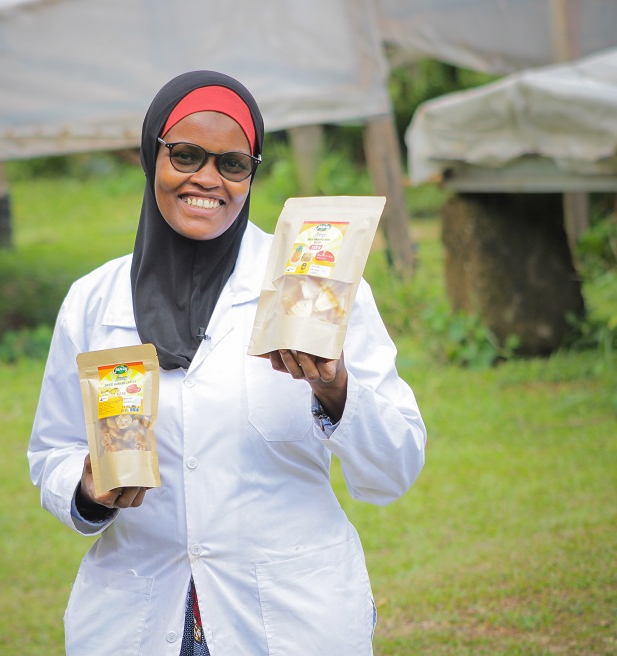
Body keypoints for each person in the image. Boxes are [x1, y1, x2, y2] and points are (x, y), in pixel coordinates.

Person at [27, 69, 427, 656]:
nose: (207, 179)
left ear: (251, 174)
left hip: (290, 620)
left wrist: (337, 390)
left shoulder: (312, 288)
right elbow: (52, 452)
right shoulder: (95, 301)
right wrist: (86, 489)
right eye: (186, 155)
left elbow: (396, 466)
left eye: (232, 164)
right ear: (151, 156)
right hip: (139, 617)